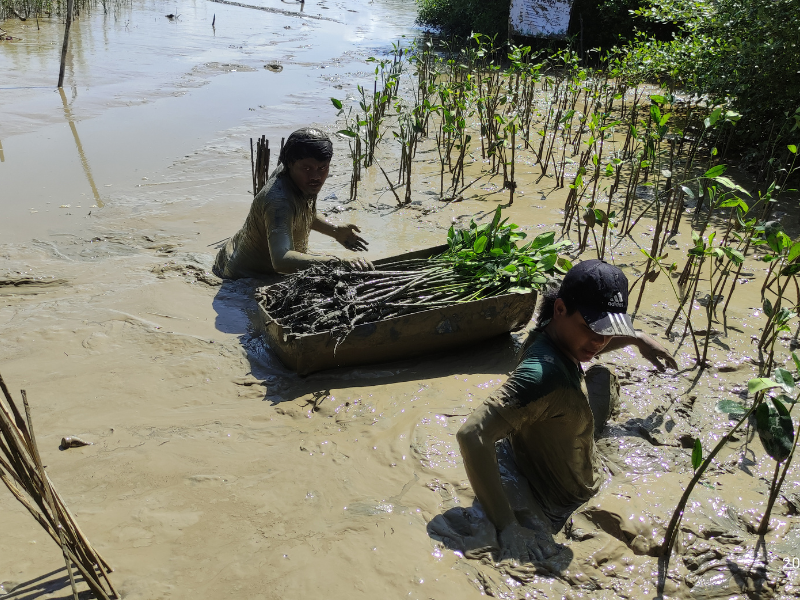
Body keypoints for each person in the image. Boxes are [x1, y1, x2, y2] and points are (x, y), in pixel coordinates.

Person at [456, 259, 678, 562]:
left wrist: (637, 338)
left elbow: (588, 342)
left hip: (564, 425)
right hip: (564, 499)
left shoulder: (551, 334)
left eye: (611, 332)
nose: (599, 342)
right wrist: (507, 526)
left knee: (602, 377)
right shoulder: (542, 375)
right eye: (591, 328)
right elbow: (472, 435)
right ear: (560, 309)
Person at [213, 127, 371, 278]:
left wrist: (335, 230)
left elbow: (299, 211)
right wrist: (338, 263)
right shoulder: (279, 201)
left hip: (238, 251)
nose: (316, 176)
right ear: (289, 164)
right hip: (246, 277)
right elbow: (281, 260)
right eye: (307, 169)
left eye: (322, 168)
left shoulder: (293, 176)